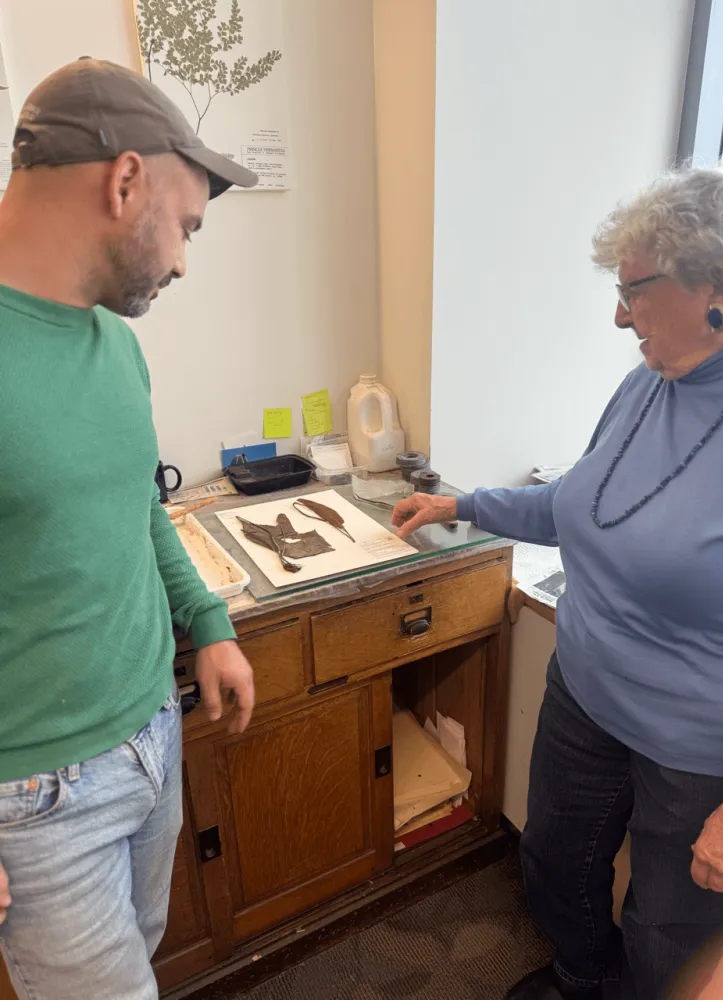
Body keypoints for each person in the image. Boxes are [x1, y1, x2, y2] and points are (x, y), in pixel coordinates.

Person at [392, 168, 723, 1000]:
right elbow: (577, 503)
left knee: (668, 929)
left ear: (720, 287)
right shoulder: (646, 382)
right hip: (586, 690)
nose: (618, 314)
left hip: (697, 751)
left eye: (634, 291)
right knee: (553, 858)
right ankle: (581, 979)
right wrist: (465, 503)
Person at [0, 58, 258, 999]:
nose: (184, 259)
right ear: (124, 181)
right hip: (34, 798)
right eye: (186, 227)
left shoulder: (117, 347)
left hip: (153, 731)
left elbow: (137, 511)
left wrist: (209, 624)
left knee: (141, 958)